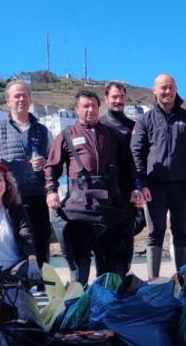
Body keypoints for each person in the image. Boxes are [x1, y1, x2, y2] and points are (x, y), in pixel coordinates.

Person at [45, 90, 137, 285]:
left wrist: (134, 190)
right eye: (85, 106)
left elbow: (128, 167)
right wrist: (51, 191)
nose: (90, 110)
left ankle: (108, 300)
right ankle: (77, 299)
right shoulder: (66, 135)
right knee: (80, 269)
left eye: (94, 106)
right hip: (80, 211)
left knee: (112, 269)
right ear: (77, 110)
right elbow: (52, 167)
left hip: (109, 209)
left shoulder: (113, 135)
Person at [131, 74, 186, 277]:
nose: (167, 91)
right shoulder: (145, 120)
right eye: (163, 87)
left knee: (180, 231)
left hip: (182, 186)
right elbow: (136, 152)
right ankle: (152, 280)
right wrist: (141, 184)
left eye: (171, 87)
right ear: (154, 90)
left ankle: (183, 279)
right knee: (155, 232)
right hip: (154, 187)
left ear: (176, 89)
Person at [0, 80, 52, 270]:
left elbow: (54, 163)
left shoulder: (43, 131)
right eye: (17, 96)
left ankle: (42, 282)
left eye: (24, 95)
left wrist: (46, 162)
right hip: (8, 199)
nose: (21, 99)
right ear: (8, 101)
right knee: (13, 245)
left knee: (41, 243)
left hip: (38, 197)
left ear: (30, 99)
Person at [97, 81, 142, 274]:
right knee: (103, 248)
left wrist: (137, 187)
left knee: (125, 247)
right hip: (104, 195)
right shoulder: (99, 125)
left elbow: (137, 161)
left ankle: (122, 282)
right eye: (114, 97)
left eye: (121, 97)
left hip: (126, 194)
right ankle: (103, 283)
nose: (118, 100)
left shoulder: (133, 127)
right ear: (106, 99)